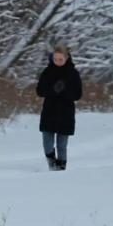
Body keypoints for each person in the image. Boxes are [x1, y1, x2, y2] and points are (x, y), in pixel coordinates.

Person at [36, 43, 82, 171]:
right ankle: (52, 164)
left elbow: (78, 94)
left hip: (65, 112)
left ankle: (61, 168)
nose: (57, 61)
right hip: (49, 111)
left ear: (66, 58)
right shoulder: (47, 72)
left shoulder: (73, 74)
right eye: (55, 59)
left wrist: (65, 91)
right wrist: (53, 90)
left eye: (60, 59)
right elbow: (39, 91)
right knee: (47, 143)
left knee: (62, 144)